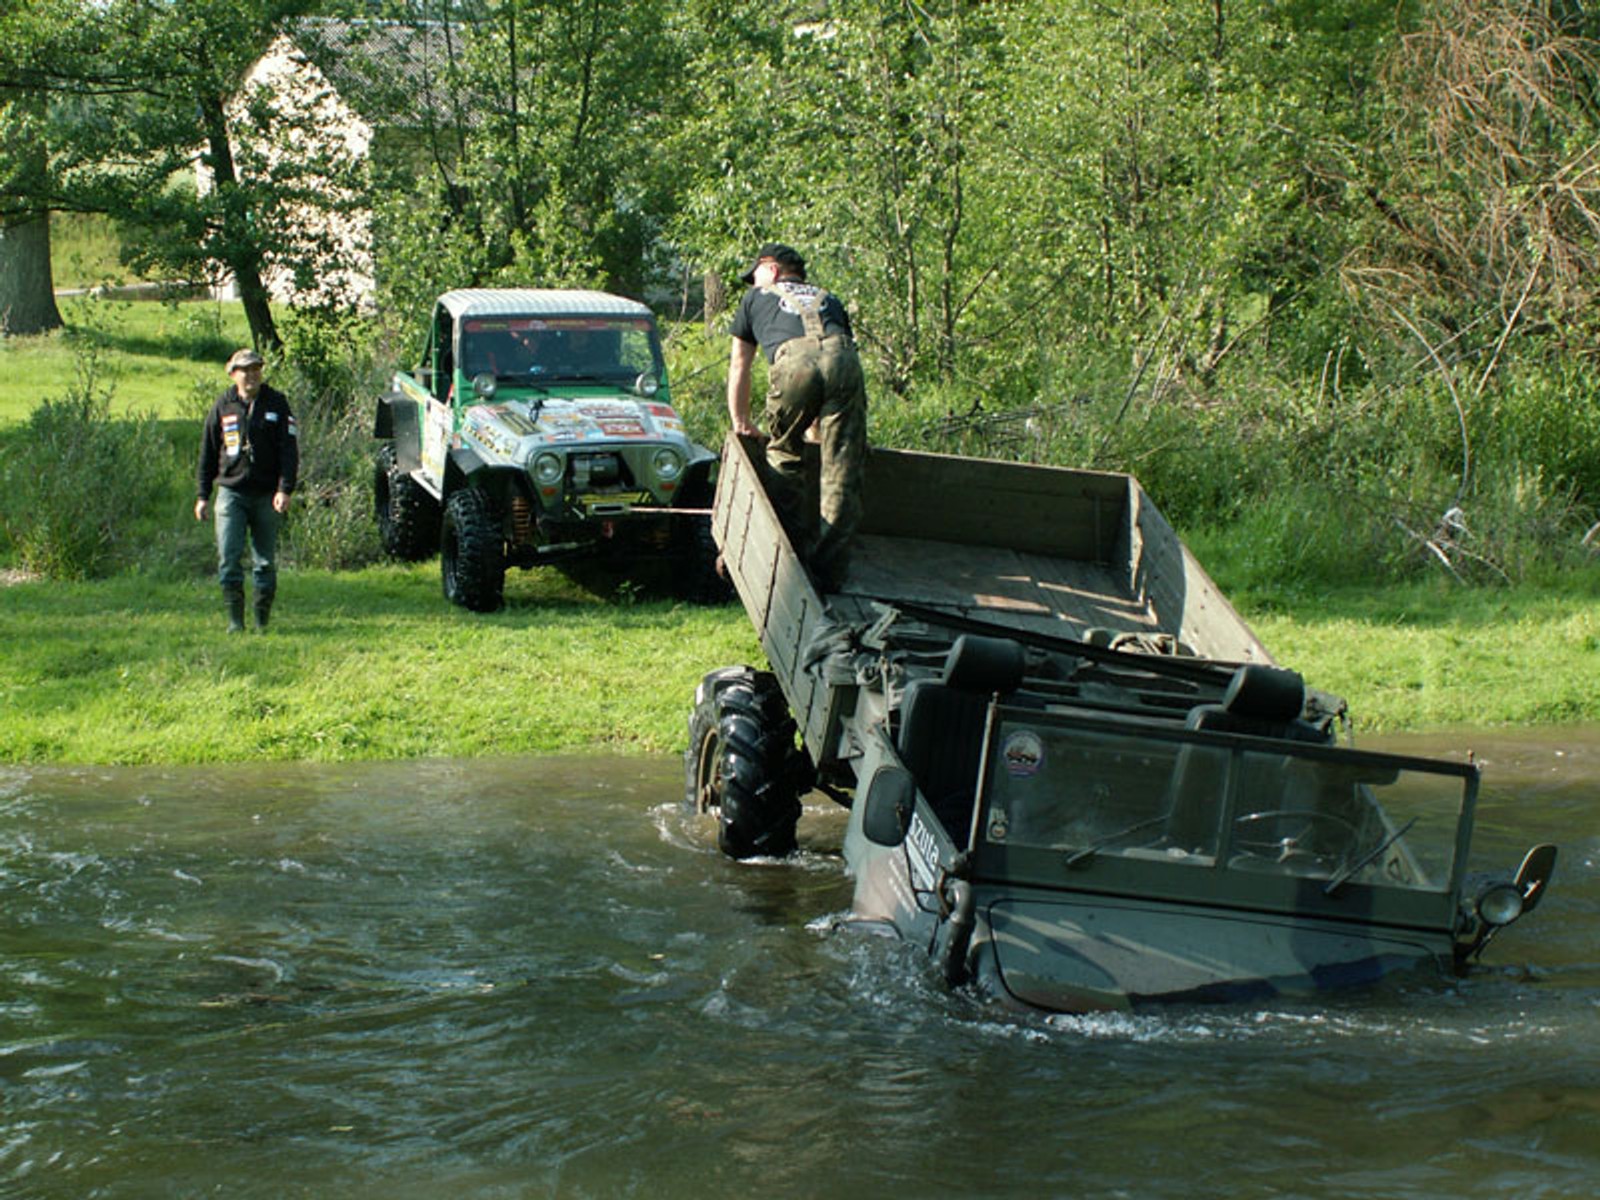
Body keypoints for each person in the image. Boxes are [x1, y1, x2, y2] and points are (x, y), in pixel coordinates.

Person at [727, 241, 868, 590]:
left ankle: (790, 560)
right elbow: (832, 359)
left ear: (771, 269)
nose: (753, 281)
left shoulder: (756, 299)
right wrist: (817, 431)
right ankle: (829, 572)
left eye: (755, 273)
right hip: (843, 359)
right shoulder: (829, 298)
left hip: (793, 365)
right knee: (841, 469)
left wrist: (741, 420)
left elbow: (739, 364)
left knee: (783, 456)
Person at [195, 348, 298, 632]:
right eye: (245, 370)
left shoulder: (277, 403)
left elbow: (289, 450)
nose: (252, 375)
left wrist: (285, 488)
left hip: (267, 494)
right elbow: (207, 452)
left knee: (264, 562)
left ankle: (262, 623)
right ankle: (235, 623)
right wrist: (203, 495)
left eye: (256, 369)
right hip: (231, 493)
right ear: (233, 374)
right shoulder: (222, 405)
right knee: (229, 559)